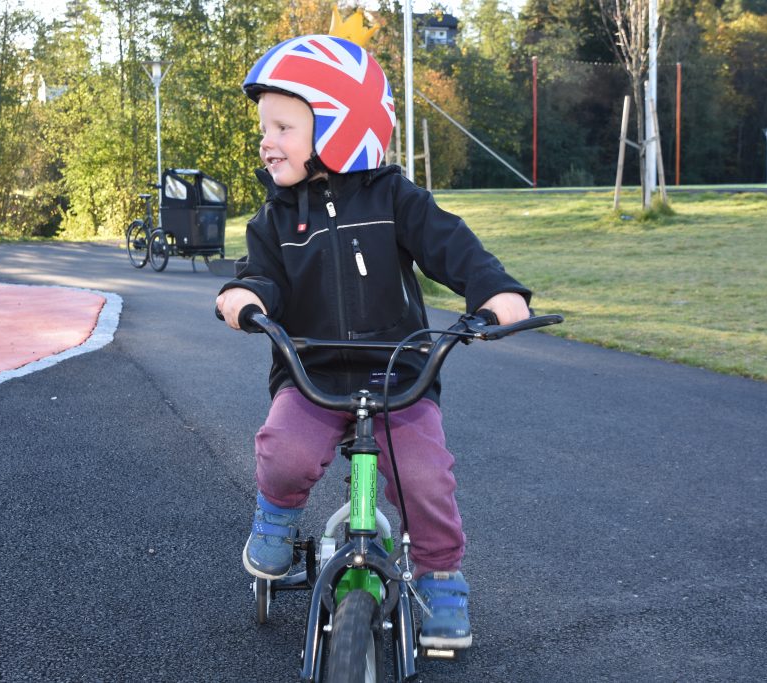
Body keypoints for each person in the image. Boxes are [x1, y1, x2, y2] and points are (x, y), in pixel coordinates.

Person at [215, 34, 531, 650]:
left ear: (338, 127)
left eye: (284, 125)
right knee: (283, 451)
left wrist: (496, 292)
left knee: (425, 478)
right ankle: (275, 518)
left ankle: (440, 576)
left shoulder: (395, 198)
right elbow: (259, 277)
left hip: (397, 373)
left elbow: (454, 249)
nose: (266, 139)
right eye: (265, 126)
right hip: (313, 374)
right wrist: (244, 297)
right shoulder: (274, 219)